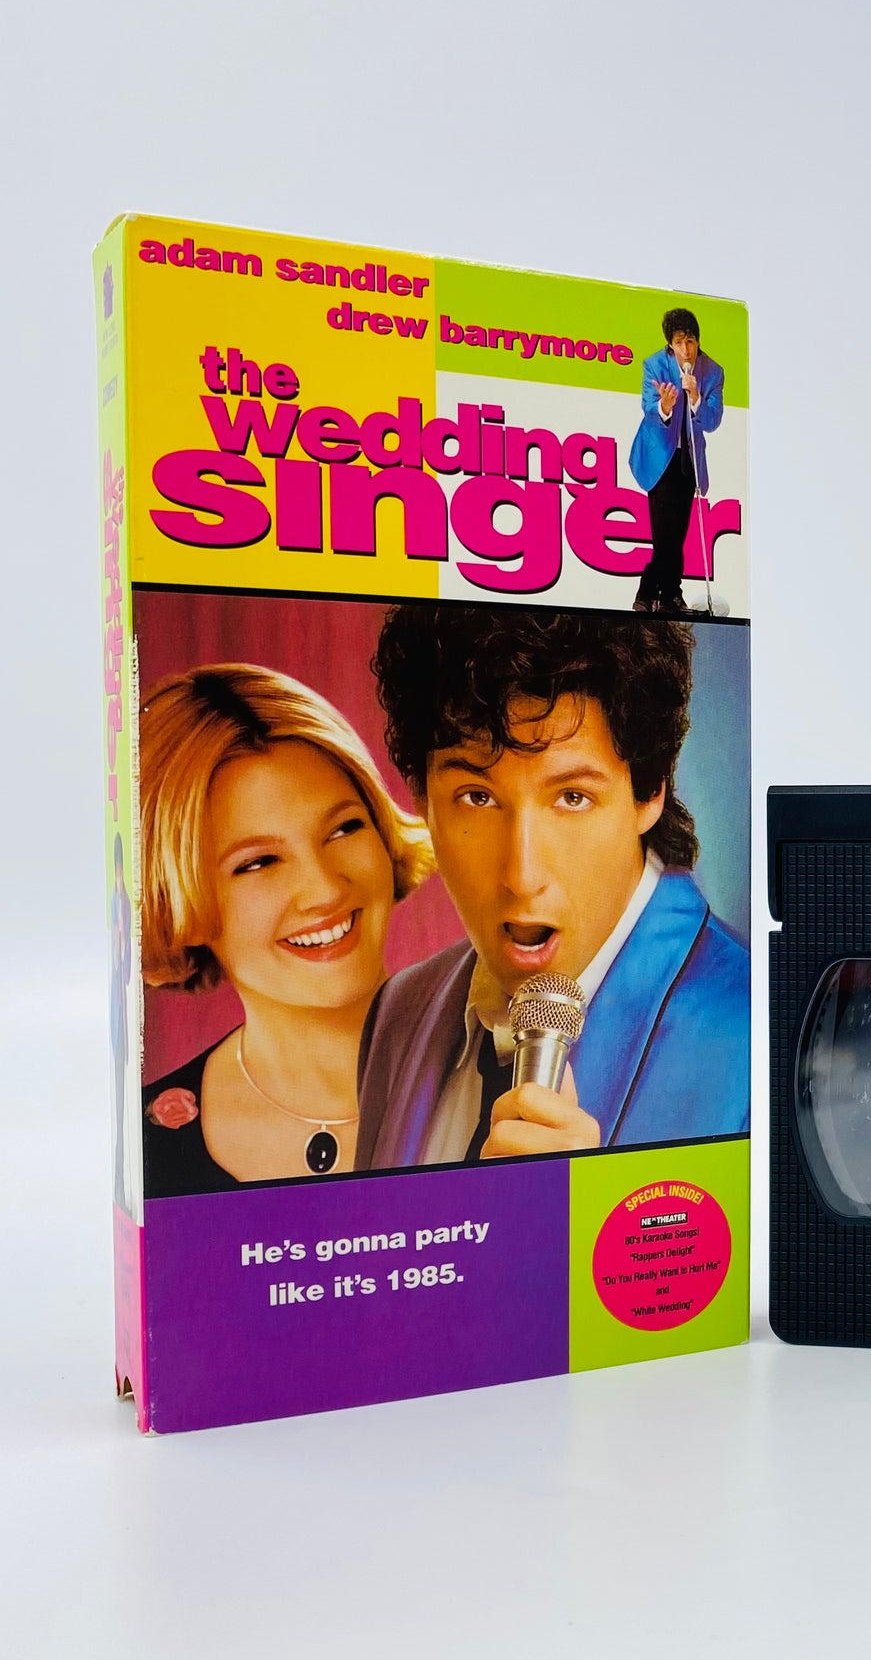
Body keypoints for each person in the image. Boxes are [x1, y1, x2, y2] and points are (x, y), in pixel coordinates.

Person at [355, 606, 749, 1167]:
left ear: (649, 793)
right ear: (421, 797)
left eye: (572, 797)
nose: (523, 876)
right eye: (477, 797)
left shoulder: (758, 1028)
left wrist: (583, 1205)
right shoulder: (397, 1014)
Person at [138, 665, 434, 1194]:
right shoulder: (138, 1150)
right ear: (177, 895)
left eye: (344, 828)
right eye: (257, 862)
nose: (324, 890)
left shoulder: (527, 1078)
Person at [628, 307, 725, 615]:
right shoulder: (654, 365)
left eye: (690, 341)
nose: (686, 349)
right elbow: (648, 409)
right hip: (658, 456)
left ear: (698, 341)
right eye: (679, 342)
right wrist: (665, 407)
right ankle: (667, 596)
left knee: (676, 534)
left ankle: (653, 596)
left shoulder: (713, 372)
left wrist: (695, 398)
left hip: (689, 459)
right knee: (664, 534)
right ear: (670, 344)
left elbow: (713, 421)